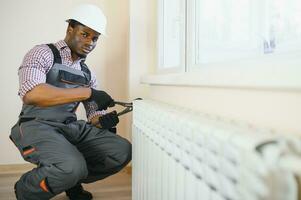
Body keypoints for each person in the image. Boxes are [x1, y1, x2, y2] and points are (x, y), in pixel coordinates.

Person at [10, 4, 131, 200]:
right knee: (71, 167)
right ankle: (26, 189)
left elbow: (93, 116)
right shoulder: (42, 53)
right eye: (85, 34)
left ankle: (71, 179)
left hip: (69, 127)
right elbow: (32, 93)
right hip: (36, 125)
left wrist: (104, 121)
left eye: (95, 38)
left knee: (121, 151)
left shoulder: (87, 73)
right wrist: (87, 92)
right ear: (70, 29)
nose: (90, 42)